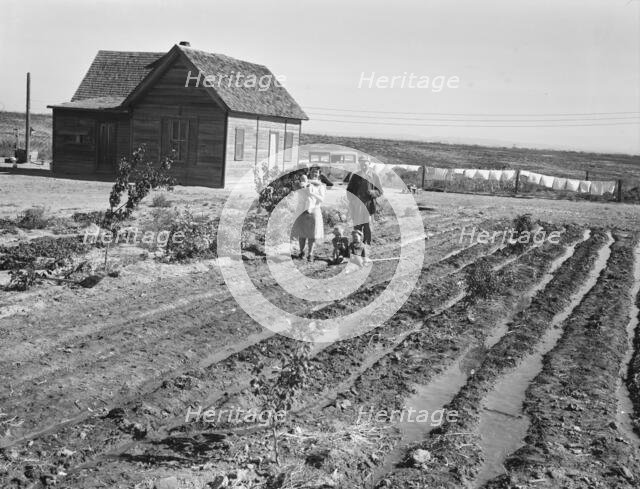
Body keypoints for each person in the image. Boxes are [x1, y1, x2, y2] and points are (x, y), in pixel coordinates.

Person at [291, 167, 326, 262]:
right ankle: (301, 252)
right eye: (313, 172)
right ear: (309, 172)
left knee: (312, 234)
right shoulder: (302, 183)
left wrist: (312, 193)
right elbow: (295, 189)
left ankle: (310, 253)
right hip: (302, 209)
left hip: (314, 210)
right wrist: (303, 184)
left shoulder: (321, 185)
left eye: (317, 172)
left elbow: (321, 199)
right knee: (302, 233)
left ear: (319, 174)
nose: (315, 173)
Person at [346, 156, 383, 245]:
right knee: (357, 226)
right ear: (359, 164)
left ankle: (367, 245)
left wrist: (373, 192)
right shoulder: (355, 175)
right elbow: (349, 190)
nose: (363, 165)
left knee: (368, 226)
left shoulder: (374, 176)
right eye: (361, 163)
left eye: (365, 163)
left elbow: (380, 191)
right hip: (357, 205)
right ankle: (357, 245)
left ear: (369, 164)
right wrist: (353, 201)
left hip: (369, 205)